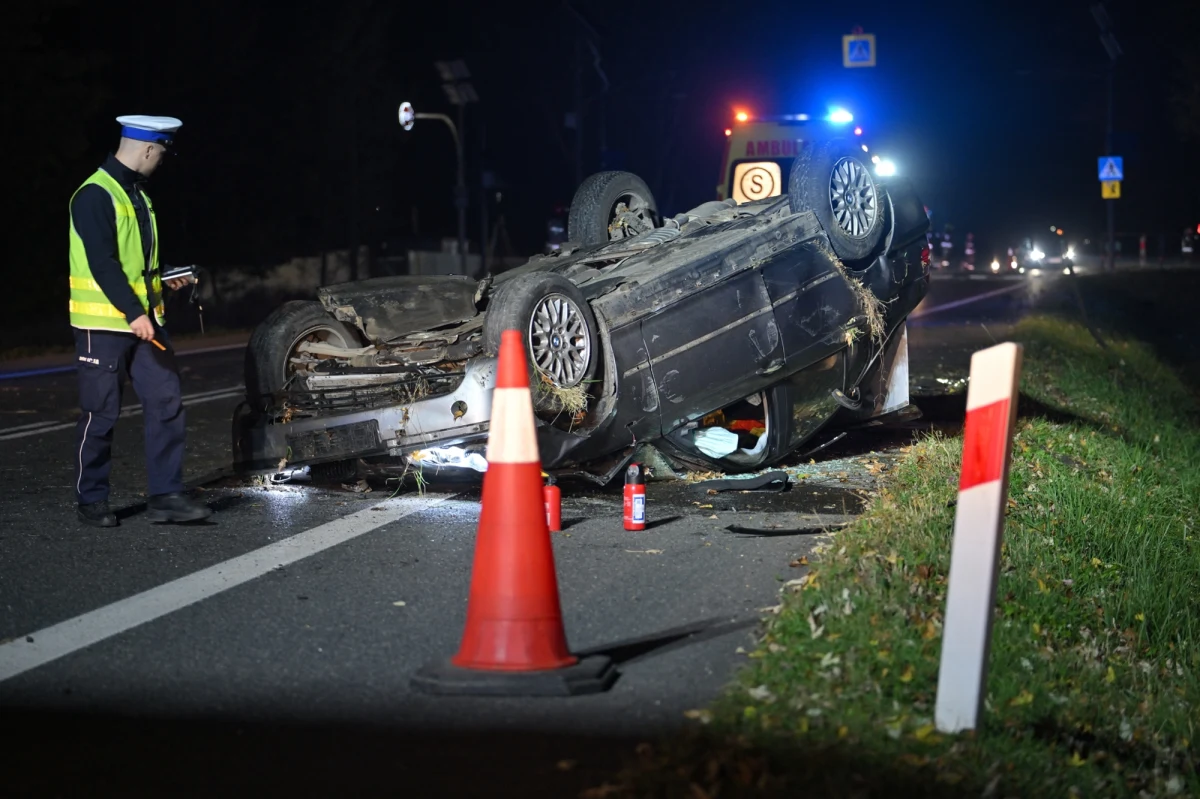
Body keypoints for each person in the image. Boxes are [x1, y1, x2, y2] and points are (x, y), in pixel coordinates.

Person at [69, 115, 211, 527]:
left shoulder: (137, 195)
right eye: (161, 154)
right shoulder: (95, 194)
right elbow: (102, 264)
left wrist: (167, 276)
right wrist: (133, 313)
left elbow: (137, 261)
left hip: (146, 322)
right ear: (148, 149)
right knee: (100, 413)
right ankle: (90, 500)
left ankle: (166, 497)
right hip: (106, 326)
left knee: (166, 401)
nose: (161, 162)